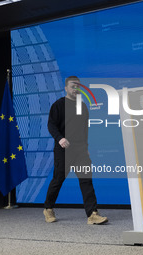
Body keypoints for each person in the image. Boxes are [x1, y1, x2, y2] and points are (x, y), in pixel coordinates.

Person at [43, 76, 108, 225]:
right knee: (58, 180)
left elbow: (84, 129)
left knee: (86, 181)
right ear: (66, 88)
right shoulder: (58, 105)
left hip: (81, 150)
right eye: (72, 86)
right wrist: (60, 139)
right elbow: (51, 125)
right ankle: (48, 208)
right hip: (63, 150)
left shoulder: (82, 106)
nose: (75, 89)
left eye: (78, 86)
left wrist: (86, 148)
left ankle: (92, 214)